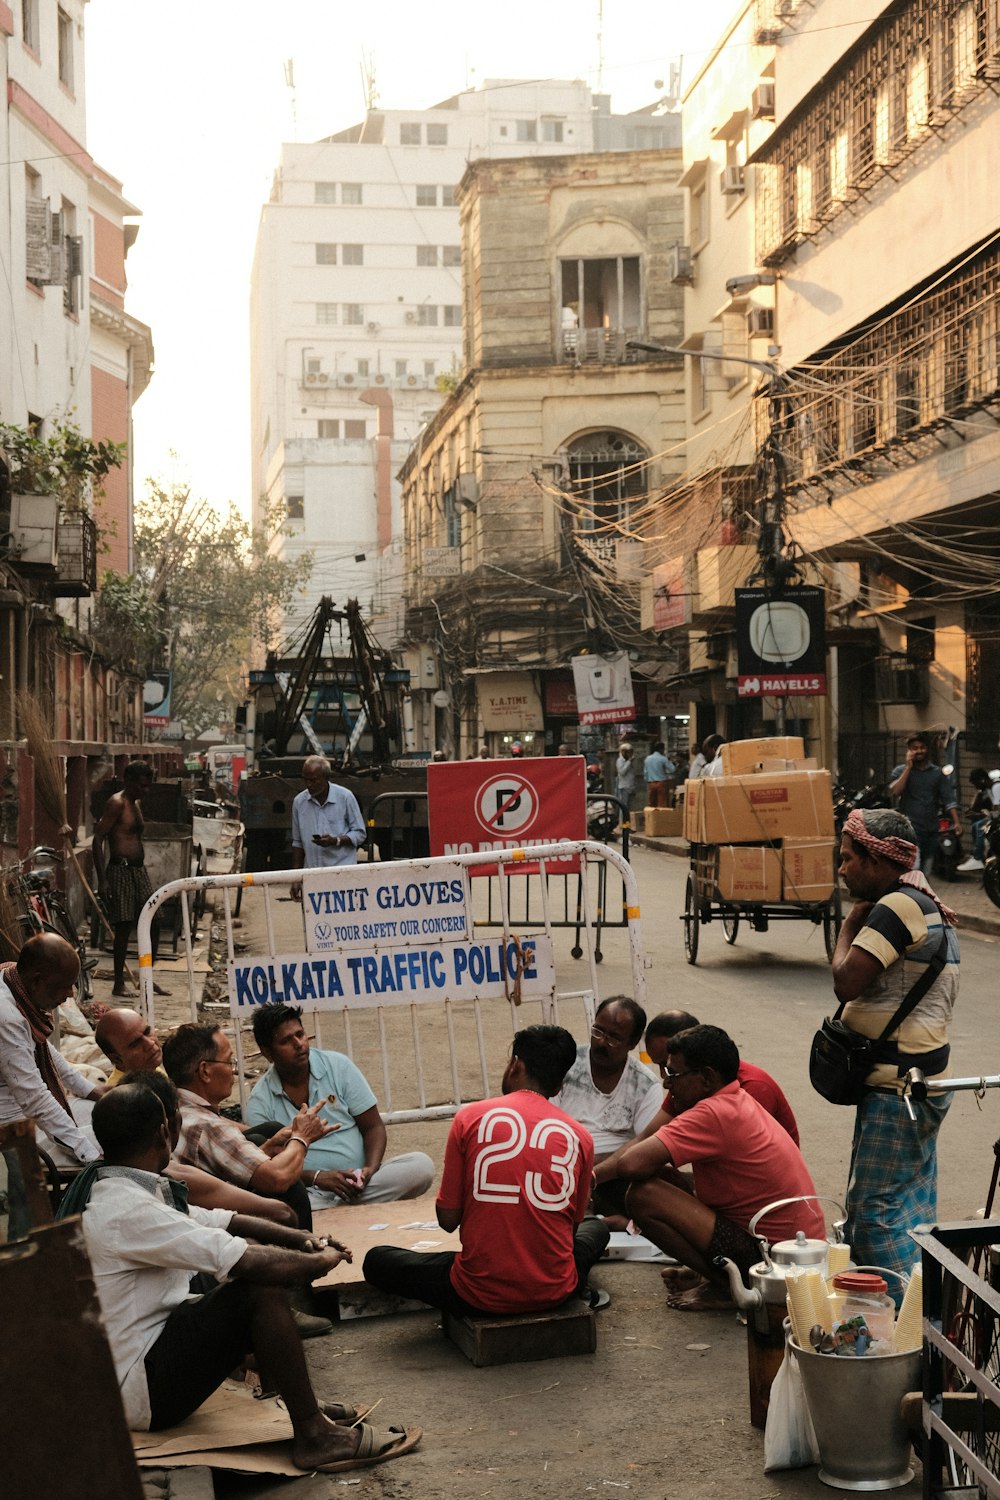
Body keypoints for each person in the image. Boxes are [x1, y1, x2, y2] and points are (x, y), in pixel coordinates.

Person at [78, 1086, 420, 1472]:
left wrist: (305, 1239)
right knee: (258, 1290)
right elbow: (246, 1259)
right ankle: (315, 1436)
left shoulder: (130, 1188)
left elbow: (222, 1219)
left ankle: (285, 1401)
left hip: (146, 1365)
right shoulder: (127, 1207)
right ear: (164, 1131)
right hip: (145, 1391)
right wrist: (321, 1261)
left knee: (245, 1278)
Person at [363, 1025, 610, 1315]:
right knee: (598, 1228)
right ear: (558, 1087)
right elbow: (570, 1236)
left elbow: (447, 1220)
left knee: (377, 1260)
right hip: (554, 1290)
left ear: (515, 1065)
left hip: (477, 1293)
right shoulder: (580, 1136)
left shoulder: (469, 1117)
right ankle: (569, 1287)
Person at [832, 806, 959, 1290]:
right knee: (912, 1210)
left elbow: (846, 982)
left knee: (874, 1218)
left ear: (879, 859)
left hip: (896, 1090)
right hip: (917, 1086)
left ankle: (915, 1322)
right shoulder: (924, 904)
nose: (842, 868)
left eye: (848, 858)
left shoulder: (895, 908)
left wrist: (851, 922)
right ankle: (931, 1312)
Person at [614, 1025, 824, 1312]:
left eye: (673, 1074)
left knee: (642, 1195)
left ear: (706, 1077)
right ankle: (715, 1275)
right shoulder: (736, 1098)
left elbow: (629, 1163)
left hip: (774, 1262)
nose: (666, 1083)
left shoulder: (713, 1112)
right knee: (662, 1174)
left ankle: (727, 1286)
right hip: (795, 1255)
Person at [245, 1005, 434, 1209]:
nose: (299, 1044)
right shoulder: (260, 1101)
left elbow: (373, 1127)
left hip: (359, 1185)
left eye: (300, 1034)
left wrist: (369, 1169)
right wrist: (318, 1177)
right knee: (280, 1204)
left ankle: (334, 1213)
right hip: (309, 1191)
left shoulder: (338, 1066)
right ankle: (343, 1211)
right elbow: (267, 1170)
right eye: (286, 1041)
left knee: (421, 1167)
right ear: (267, 1052)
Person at [163, 1023, 331, 1229]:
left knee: (266, 1135)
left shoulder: (175, 1108)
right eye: (229, 1062)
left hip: (194, 1212)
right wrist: (302, 1137)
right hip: (211, 1227)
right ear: (205, 1071)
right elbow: (277, 1178)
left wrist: (270, 1146)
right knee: (289, 1190)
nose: (234, 1071)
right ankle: (309, 1255)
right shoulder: (208, 1126)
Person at [0, 934, 105, 1236]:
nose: (69, 995)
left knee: (92, 1112)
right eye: (63, 986)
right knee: (24, 1216)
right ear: (36, 982)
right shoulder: (7, 1015)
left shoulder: (13, 978)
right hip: (7, 1127)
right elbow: (34, 1098)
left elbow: (43, 1049)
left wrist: (90, 1090)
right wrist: (88, 1156)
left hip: (20, 1109)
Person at [553, 996, 660, 1226]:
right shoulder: (566, 1064)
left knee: (654, 1190)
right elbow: (545, 1124)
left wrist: (593, 1174)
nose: (601, 1042)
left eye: (614, 1038)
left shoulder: (645, 1085)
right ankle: (604, 1224)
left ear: (632, 1043)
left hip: (612, 1174)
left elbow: (648, 1148)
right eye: (598, 1031)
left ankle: (599, 1223)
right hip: (561, 1165)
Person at [643, 1011, 799, 1143]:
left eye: (667, 1065)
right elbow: (647, 1139)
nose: (665, 1078)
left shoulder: (753, 1088)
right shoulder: (684, 1080)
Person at [92, 761, 166, 998]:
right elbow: (98, 839)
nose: (146, 790)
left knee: (154, 921)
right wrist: (102, 880)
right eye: (142, 785)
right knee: (123, 928)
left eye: (148, 785)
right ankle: (118, 984)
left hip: (138, 871)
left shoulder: (136, 803)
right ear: (130, 781)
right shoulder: (116, 803)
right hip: (120, 871)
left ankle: (147, 978)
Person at [889, 733, 961, 874]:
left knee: (925, 872)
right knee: (914, 869)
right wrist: (908, 768)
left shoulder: (937, 773)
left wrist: (957, 822)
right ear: (909, 751)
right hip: (910, 829)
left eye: (922, 747)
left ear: (927, 749)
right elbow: (896, 791)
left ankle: (920, 893)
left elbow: (949, 799)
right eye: (915, 748)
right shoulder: (900, 771)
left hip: (931, 829)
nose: (919, 751)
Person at [291, 756, 366, 874]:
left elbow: (360, 833)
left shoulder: (345, 797)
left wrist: (335, 841)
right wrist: (295, 878)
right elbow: (297, 843)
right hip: (312, 874)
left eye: (313, 780)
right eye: (305, 780)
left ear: (326, 778)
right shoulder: (299, 802)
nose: (309, 785)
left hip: (342, 873)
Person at [95, 1007, 164, 1086]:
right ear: (117, 1059)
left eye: (147, 1032)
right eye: (135, 1043)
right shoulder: (124, 1094)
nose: (150, 1043)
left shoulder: (147, 1069)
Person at [956, 769, 997, 872]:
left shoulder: (996, 787)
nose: (975, 787)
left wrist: (988, 814)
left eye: (975, 783)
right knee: (976, 825)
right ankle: (977, 855)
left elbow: (997, 808)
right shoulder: (986, 790)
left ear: (982, 780)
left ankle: (977, 858)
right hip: (994, 817)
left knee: (980, 826)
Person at [643, 741, 676, 808]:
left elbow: (645, 773)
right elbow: (672, 769)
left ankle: (652, 816)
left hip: (651, 783)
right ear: (661, 749)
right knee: (662, 803)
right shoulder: (663, 759)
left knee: (652, 803)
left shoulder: (647, 759)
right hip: (662, 783)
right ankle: (661, 817)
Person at [614, 744, 637, 816]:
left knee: (629, 807)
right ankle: (622, 823)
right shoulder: (620, 761)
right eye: (629, 752)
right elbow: (622, 772)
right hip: (624, 787)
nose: (630, 754)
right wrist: (629, 762)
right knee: (623, 806)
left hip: (630, 786)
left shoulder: (628, 761)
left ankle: (628, 823)